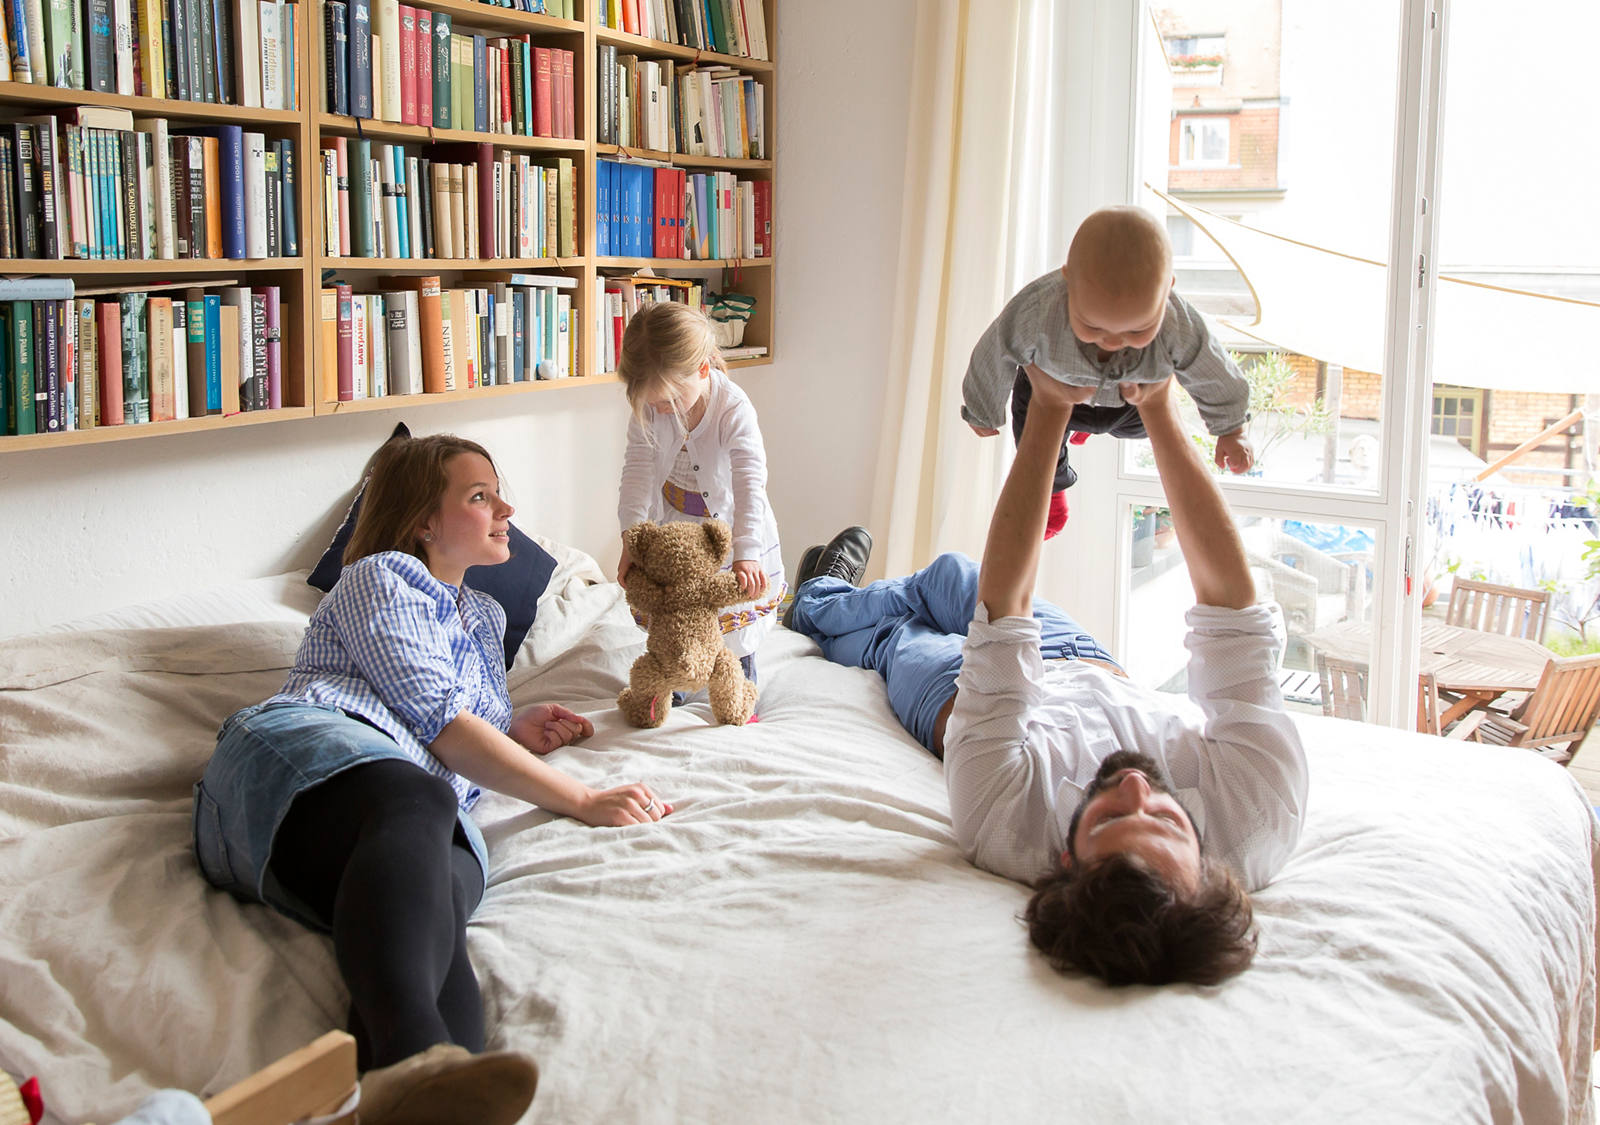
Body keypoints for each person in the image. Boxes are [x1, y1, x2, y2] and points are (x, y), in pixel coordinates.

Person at [193, 434, 672, 1123]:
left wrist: (511, 727)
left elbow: (449, 720)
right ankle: (420, 1057)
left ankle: (414, 1091)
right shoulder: (381, 575)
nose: (505, 507)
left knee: (447, 894)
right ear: (423, 519)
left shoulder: (481, 617)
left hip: (399, 814)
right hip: (294, 770)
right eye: (480, 496)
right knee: (419, 796)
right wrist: (584, 797)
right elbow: (440, 722)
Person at [789, 367, 1307, 986]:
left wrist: (1048, 415)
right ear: (1207, 861)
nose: (1139, 788)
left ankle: (815, 600)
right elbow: (1233, 615)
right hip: (1085, 664)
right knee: (952, 575)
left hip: (961, 695)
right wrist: (1162, 413)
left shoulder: (1003, 826)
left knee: (889, 637)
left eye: (1112, 818)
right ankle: (826, 598)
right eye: (1169, 819)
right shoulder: (1258, 816)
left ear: (1065, 858)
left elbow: (1003, 610)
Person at [962, 204, 1255, 538]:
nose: (1114, 341)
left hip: (1132, 399)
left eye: (1137, 330)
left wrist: (1231, 429)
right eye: (1093, 325)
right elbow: (996, 349)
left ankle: (1093, 426)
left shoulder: (1178, 322)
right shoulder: (1038, 308)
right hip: (1056, 392)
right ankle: (1054, 489)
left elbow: (1212, 368)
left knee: (1150, 427)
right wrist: (982, 408)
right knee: (1031, 433)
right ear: (1067, 280)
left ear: (1167, 291)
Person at [616, 301, 785, 704]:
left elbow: (749, 484)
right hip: (674, 527)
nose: (661, 411)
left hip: (723, 532)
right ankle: (670, 676)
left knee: (730, 613)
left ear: (703, 371)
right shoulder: (650, 405)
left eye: (670, 402)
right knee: (674, 609)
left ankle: (738, 684)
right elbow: (636, 471)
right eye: (653, 404)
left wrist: (747, 552)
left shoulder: (732, 409)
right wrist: (630, 537)